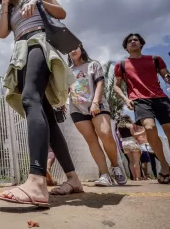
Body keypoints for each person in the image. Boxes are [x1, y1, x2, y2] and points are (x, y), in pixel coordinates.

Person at [0, 0, 83, 206]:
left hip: (39, 42)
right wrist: (4, 5)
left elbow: (61, 13)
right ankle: (73, 179)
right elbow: (3, 33)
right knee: (48, 117)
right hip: (20, 51)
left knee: (30, 99)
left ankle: (36, 181)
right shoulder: (9, 8)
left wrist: (40, 4)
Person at [113, 33, 170, 184]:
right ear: (126, 47)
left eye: (136, 40)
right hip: (139, 100)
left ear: (141, 44)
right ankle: (164, 166)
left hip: (160, 98)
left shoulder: (155, 59)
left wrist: (167, 78)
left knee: (169, 129)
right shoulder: (121, 65)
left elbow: (166, 75)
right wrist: (126, 98)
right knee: (149, 127)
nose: (133, 42)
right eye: (129, 41)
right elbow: (116, 86)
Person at [68, 46, 126, 186]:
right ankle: (105, 174)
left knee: (105, 134)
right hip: (76, 108)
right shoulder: (67, 71)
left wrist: (95, 102)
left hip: (97, 105)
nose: (73, 50)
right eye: (69, 49)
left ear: (82, 49)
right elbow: (66, 89)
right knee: (91, 140)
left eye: (75, 47)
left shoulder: (93, 65)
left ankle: (115, 166)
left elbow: (100, 83)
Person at [116, 115, 142, 180]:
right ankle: (138, 177)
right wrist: (143, 132)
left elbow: (119, 136)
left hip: (124, 144)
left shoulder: (119, 127)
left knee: (131, 162)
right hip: (132, 142)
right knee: (136, 162)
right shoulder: (130, 125)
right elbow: (134, 135)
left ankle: (133, 177)